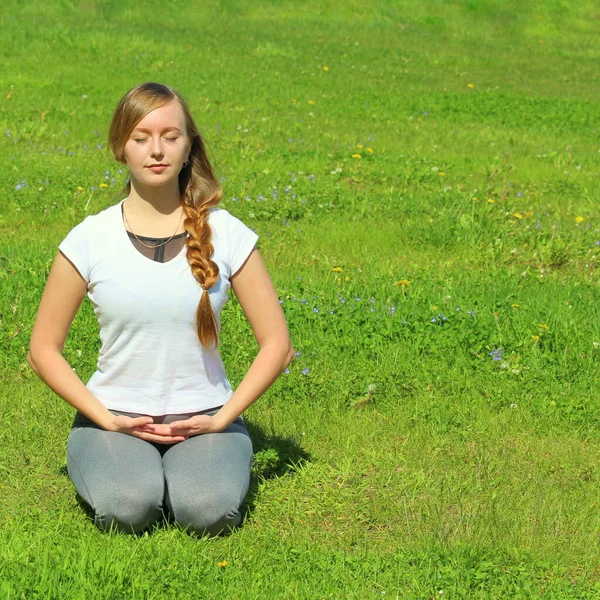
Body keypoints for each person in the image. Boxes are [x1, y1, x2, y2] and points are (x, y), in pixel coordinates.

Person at [27, 82, 294, 536]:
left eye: (171, 136)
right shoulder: (89, 238)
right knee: (127, 509)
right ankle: (131, 471)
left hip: (206, 417)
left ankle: (188, 476)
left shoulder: (226, 233)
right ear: (120, 147)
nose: (157, 150)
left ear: (189, 147)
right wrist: (103, 416)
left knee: (207, 512)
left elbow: (278, 345)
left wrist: (222, 419)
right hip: (113, 419)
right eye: (140, 137)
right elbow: (42, 350)